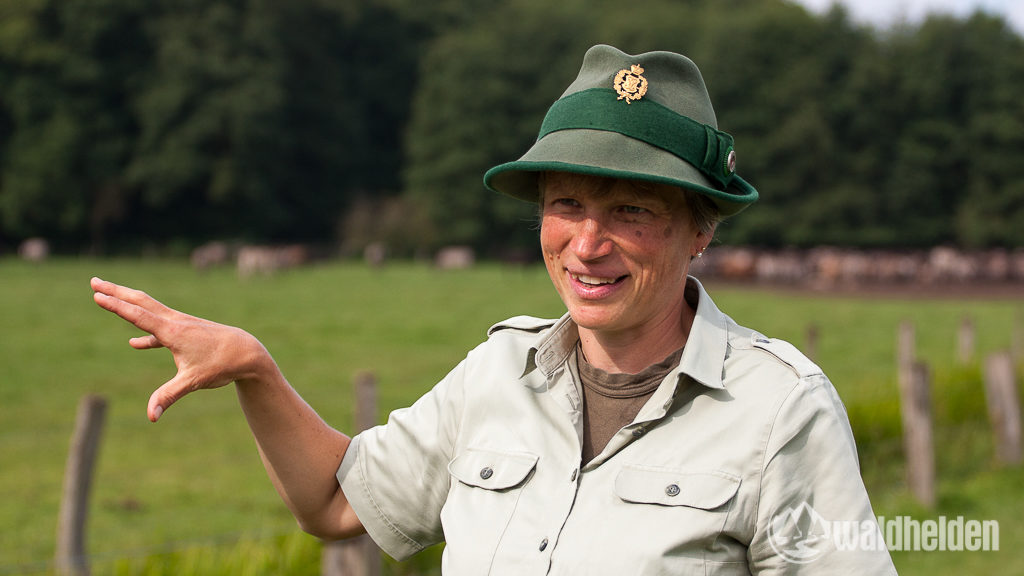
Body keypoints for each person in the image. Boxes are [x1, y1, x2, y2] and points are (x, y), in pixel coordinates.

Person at [92, 45, 896, 574]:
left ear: (701, 230)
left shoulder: (780, 409)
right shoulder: (497, 375)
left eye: (632, 213)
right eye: (567, 202)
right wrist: (255, 372)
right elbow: (339, 504)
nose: (587, 243)